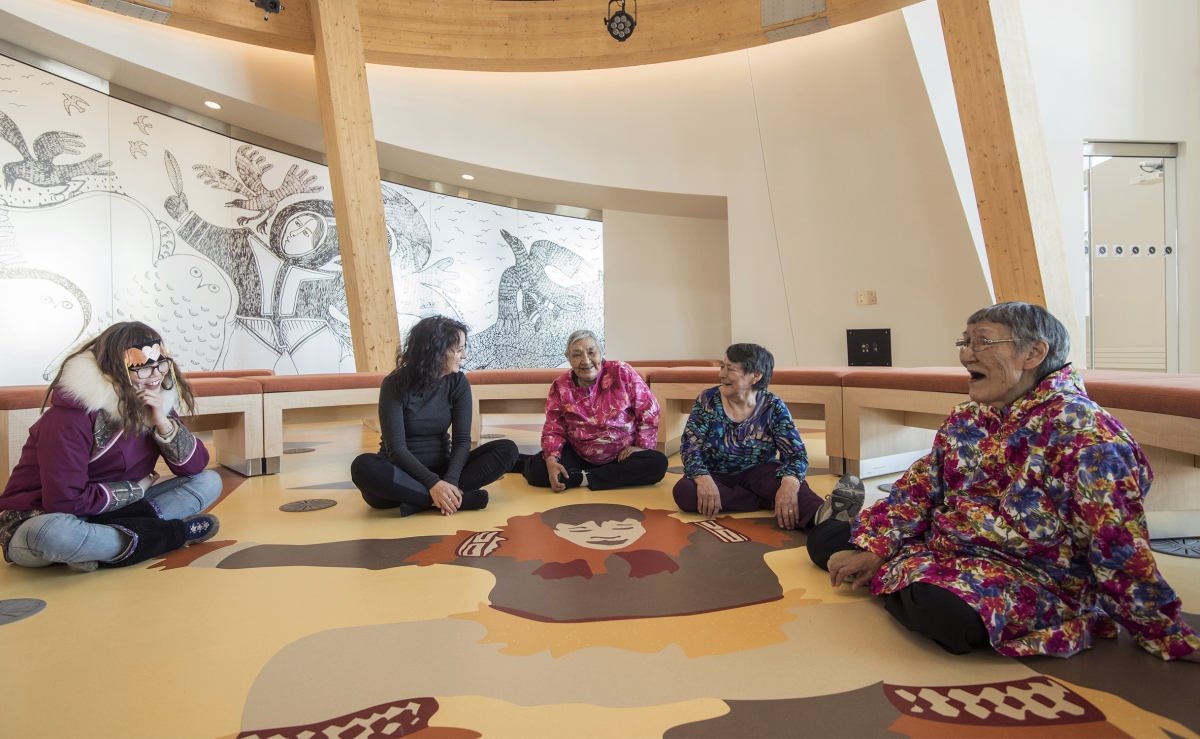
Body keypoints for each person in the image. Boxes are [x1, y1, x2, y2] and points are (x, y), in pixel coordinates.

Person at [808, 302, 1200, 662]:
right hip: (946, 542)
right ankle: (885, 554)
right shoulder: (969, 417)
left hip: (1033, 573)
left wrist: (1160, 630)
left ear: (1034, 353)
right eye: (965, 342)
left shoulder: (1088, 436)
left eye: (983, 342)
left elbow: (1116, 542)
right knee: (821, 543)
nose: (966, 354)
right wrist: (878, 546)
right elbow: (920, 486)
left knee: (948, 617)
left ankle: (904, 570)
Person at [0, 322, 222, 571]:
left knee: (209, 482)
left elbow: (194, 467)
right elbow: (62, 502)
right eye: (143, 369)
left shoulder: (152, 400)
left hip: (117, 512)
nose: (157, 375)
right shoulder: (69, 418)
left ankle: (102, 546)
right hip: (45, 516)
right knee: (54, 535)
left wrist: (163, 421)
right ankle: (171, 535)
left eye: (160, 364)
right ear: (115, 370)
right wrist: (136, 490)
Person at [351, 315, 518, 516]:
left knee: (507, 449)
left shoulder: (458, 383)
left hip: (444, 471)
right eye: (457, 350)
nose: (464, 355)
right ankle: (456, 500)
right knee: (362, 466)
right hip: (402, 475)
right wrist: (432, 484)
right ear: (435, 352)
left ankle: (424, 501)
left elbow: (462, 441)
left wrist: (449, 481)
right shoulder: (394, 384)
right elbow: (395, 448)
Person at [672, 343, 829, 530]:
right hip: (715, 474)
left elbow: (796, 454)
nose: (721, 374)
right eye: (722, 366)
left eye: (731, 369)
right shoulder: (707, 399)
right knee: (685, 492)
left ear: (755, 375)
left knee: (791, 484)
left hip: (759, 472)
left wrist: (789, 485)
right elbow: (690, 447)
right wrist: (703, 478)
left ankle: (824, 517)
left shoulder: (773, 406)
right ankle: (765, 500)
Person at [523, 330, 668, 492]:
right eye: (577, 355)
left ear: (601, 353)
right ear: (569, 360)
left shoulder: (622, 372)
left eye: (591, 352)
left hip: (622, 455)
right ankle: (601, 476)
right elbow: (553, 428)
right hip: (580, 452)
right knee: (539, 470)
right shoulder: (560, 386)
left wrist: (641, 447)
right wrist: (551, 459)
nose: (586, 361)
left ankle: (582, 478)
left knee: (657, 463)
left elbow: (649, 411)